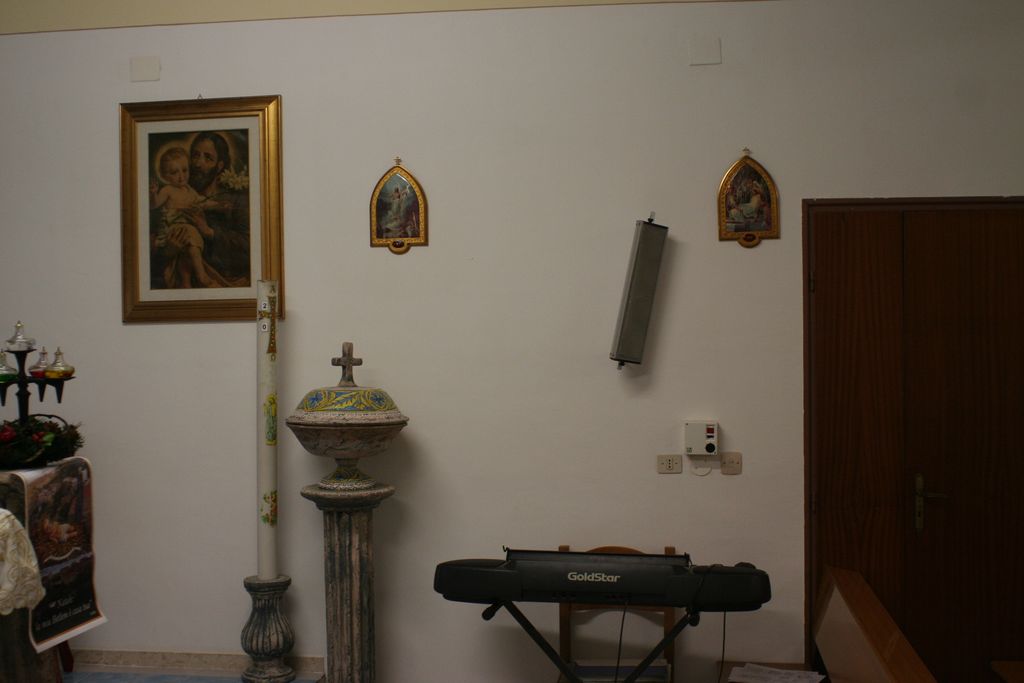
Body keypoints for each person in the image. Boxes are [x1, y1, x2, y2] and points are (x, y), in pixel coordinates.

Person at [150, 147, 230, 288]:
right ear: (164, 175)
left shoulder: (188, 189)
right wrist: (153, 194)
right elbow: (154, 205)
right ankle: (201, 275)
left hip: (187, 228)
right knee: (191, 240)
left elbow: (202, 201)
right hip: (173, 228)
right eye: (174, 172)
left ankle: (188, 283)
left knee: (189, 252)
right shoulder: (168, 190)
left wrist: (218, 205)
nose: (181, 176)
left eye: (184, 170)